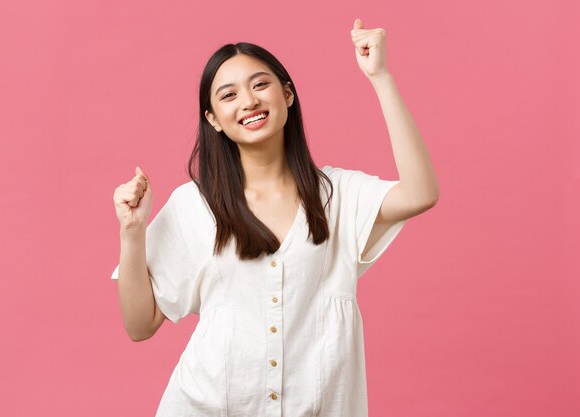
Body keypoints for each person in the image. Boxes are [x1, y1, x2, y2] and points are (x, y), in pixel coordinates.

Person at [111, 18, 439, 417]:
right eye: (228, 95)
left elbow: (421, 193)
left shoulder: (337, 195)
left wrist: (380, 76)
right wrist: (132, 232)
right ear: (213, 118)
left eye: (260, 84)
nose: (248, 101)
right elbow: (140, 325)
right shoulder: (195, 205)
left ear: (287, 95)